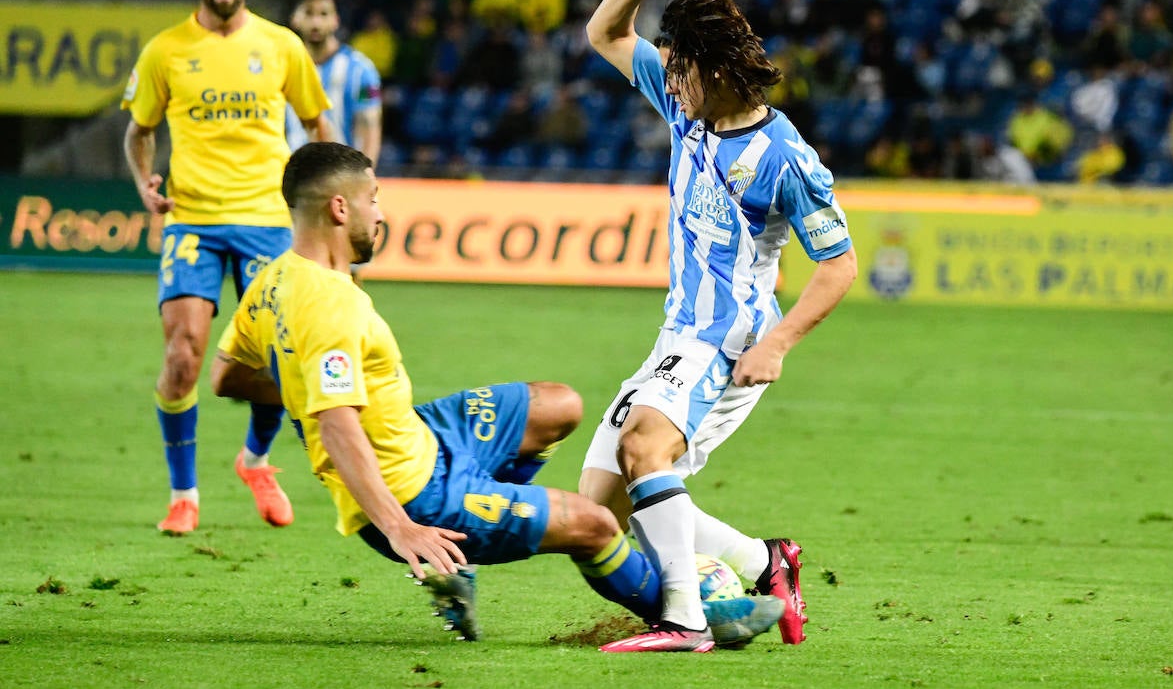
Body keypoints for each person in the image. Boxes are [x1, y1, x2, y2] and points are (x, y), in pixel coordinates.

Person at [210, 142, 783, 646]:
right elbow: (337, 425)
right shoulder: (329, 305)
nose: (380, 214)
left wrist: (301, 385)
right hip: (415, 495)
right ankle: (688, 617)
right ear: (340, 208)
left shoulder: (273, 280)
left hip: (427, 434)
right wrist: (399, 527)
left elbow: (227, 376)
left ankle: (489, 513)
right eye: (373, 198)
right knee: (595, 525)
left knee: (559, 405)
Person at [578, 0, 858, 652]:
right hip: (680, 332)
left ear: (715, 67)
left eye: (680, 70)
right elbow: (605, 32)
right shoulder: (684, 106)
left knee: (645, 450)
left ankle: (685, 620)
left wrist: (780, 342)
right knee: (595, 511)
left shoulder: (785, 158)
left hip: (728, 337)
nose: (668, 83)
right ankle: (765, 563)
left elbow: (839, 265)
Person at [121, 0, 336, 536]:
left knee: (274, 361)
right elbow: (140, 130)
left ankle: (257, 461)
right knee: (184, 354)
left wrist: (323, 198)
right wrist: (145, 183)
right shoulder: (165, 50)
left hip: (269, 219)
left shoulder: (282, 45)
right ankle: (183, 494)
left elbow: (320, 123)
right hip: (192, 219)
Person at [286, 0, 383, 164]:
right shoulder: (283, 66)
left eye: (323, 14)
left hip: (340, 177)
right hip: (290, 177)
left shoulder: (362, 69)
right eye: (308, 13)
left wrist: (363, 177)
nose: (316, 22)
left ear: (336, 20)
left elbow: (370, 127)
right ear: (295, 19)